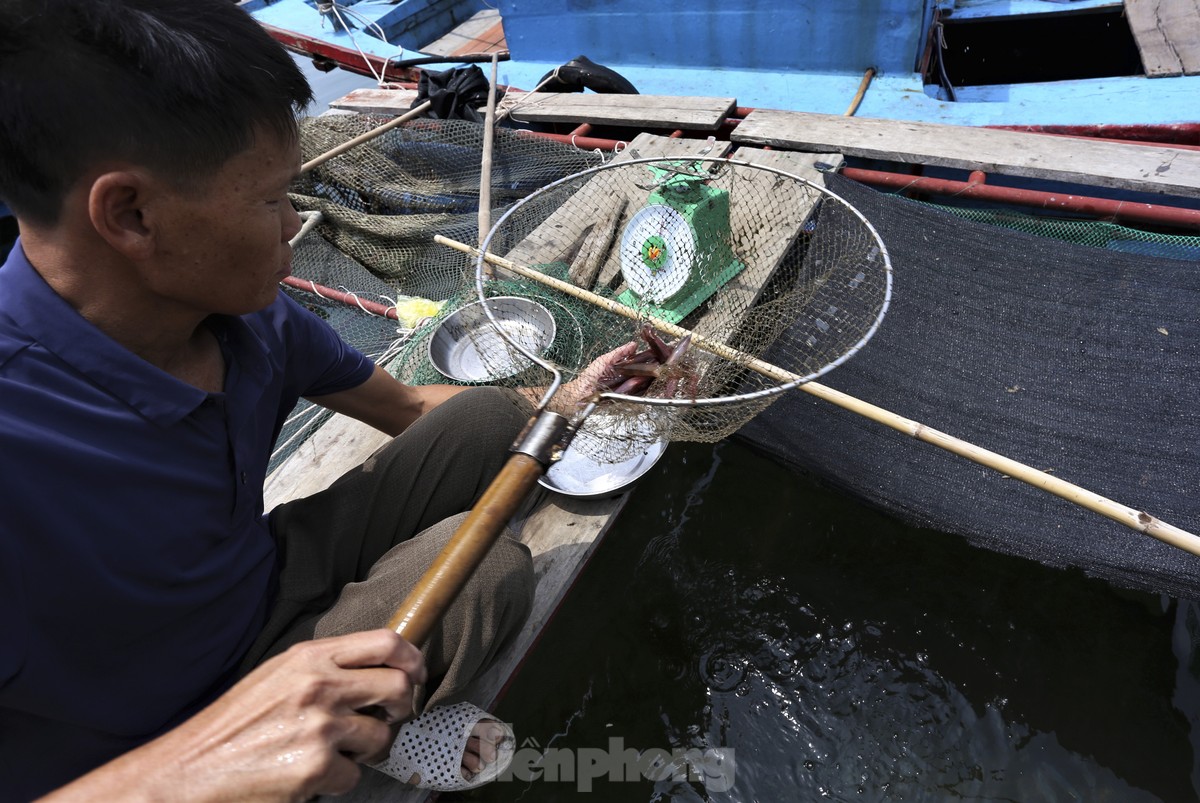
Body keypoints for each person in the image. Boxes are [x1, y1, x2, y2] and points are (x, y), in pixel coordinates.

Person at [0, 1, 623, 799]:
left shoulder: (244, 315)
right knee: (487, 575)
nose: (294, 222)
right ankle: (358, 733)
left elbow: (405, 408)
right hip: (162, 739)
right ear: (131, 214)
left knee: (491, 417)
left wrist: (563, 401)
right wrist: (191, 766)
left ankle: (358, 702)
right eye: (268, 201)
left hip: (257, 580)